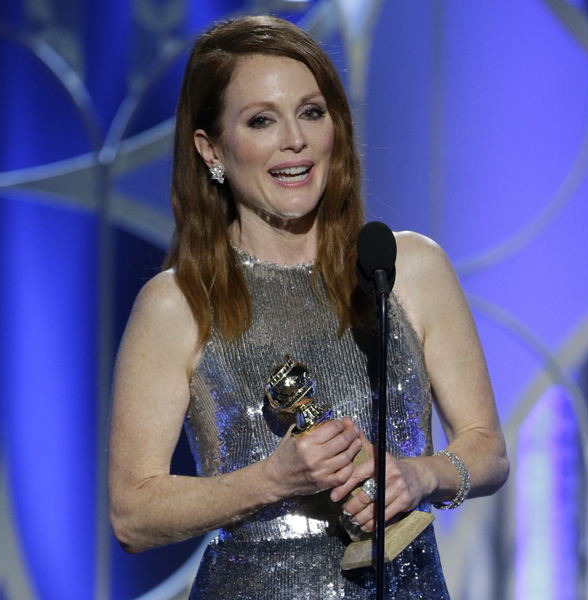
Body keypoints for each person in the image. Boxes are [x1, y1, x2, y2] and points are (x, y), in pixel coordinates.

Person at [107, 15, 509, 599]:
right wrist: (273, 479)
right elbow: (132, 516)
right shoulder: (177, 304)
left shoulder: (405, 269)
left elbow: (487, 448)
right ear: (211, 149)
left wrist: (420, 474)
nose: (293, 139)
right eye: (261, 120)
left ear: (336, 129)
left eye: (312, 112)